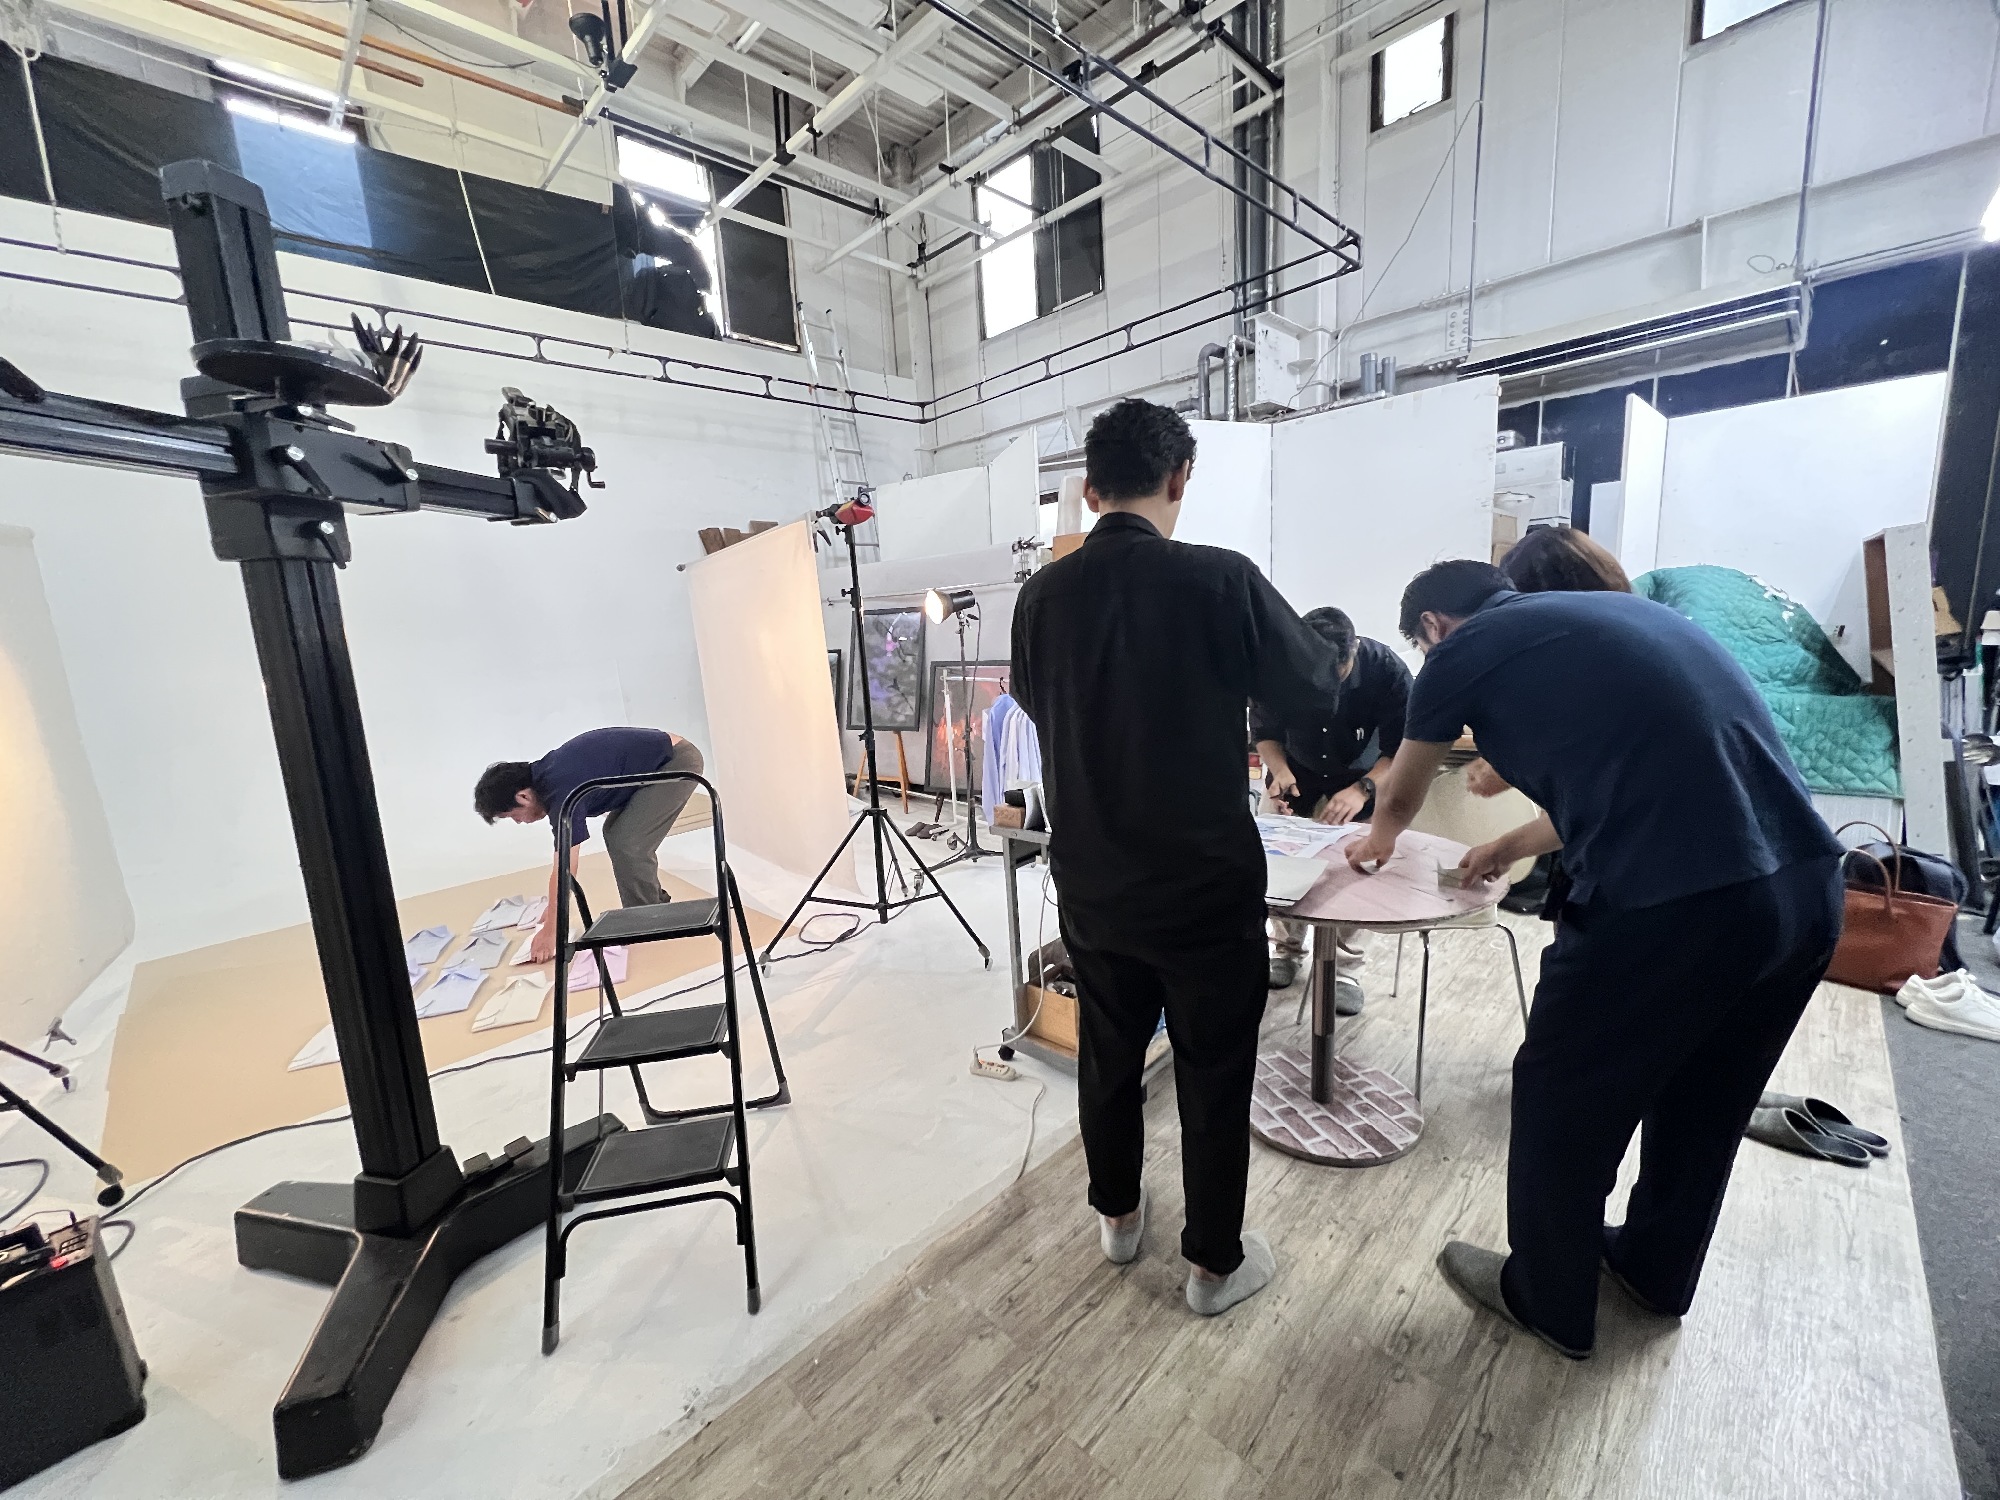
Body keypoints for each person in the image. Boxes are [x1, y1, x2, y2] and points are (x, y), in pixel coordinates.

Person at [1344, 560, 1843, 1359]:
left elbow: (1400, 795)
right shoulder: (1619, 619)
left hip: (1673, 904)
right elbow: (1629, 778)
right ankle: (1653, 1268)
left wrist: (1375, 840)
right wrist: (1507, 844)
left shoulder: (1460, 650)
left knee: (1562, 1090)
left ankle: (1548, 1297)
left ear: (1432, 626)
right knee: (1707, 1097)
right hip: (1806, 892)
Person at [1011, 398, 1340, 1318]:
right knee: (1213, 1068)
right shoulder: (1220, 579)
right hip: (1203, 884)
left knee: (1109, 1051)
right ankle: (1211, 1267)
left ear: (1089, 489)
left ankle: (1117, 1218)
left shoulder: (1041, 597)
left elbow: (1035, 699)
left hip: (1093, 877)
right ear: (1179, 479)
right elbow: (1315, 683)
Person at [1252, 605, 1411, 1006]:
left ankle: (1345, 968)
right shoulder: (1278, 666)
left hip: (1363, 775)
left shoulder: (1386, 671)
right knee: (1277, 862)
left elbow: (1402, 750)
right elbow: (1265, 733)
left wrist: (1363, 789)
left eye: (1334, 673)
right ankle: (1286, 950)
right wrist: (1280, 773)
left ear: (1352, 651)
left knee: (1355, 868)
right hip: (1296, 768)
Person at [475, 727, 705, 963]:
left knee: (628, 842)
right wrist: (552, 912)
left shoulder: (560, 789)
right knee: (616, 834)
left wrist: (552, 929)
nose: (518, 822)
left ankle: (650, 921)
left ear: (523, 796)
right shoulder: (547, 776)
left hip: (675, 760)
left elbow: (565, 867)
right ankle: (652, 909)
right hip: (659, 758)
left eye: (512, 816)